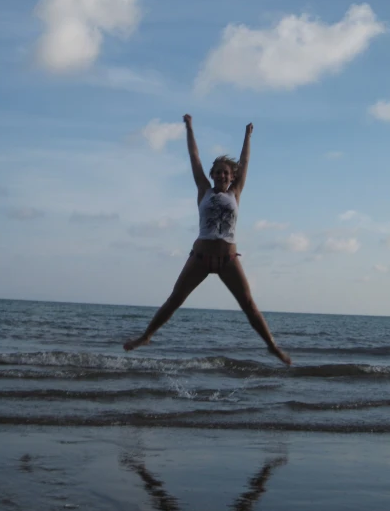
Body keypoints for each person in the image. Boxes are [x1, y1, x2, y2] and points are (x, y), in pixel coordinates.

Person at [123, 115, 291, 365]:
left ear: (232, 176)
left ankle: (272, 346)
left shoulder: (236, 191)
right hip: (200, 257)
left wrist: (247, 136)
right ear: (212, 174)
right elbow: (194, 158)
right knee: (175, 299)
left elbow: (245, 162)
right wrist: (189, 128)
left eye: (226, 173)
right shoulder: (203, 189)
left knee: (248, 305)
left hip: (228, 259)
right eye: (218, 172)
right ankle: (146, 336)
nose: (222, 176)